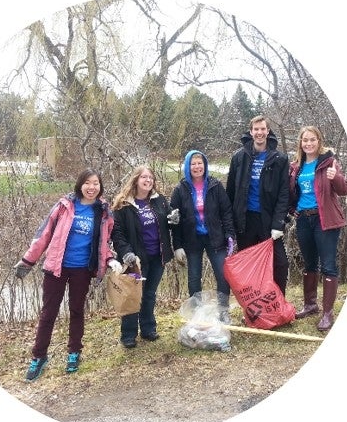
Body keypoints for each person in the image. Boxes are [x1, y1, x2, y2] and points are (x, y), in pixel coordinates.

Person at [14, 168, 120, 381]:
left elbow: (104, 244)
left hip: (82, 270)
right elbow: (44, 234)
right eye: (87, 183)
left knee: (76, 311)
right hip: (56, 267)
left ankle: (74, 353)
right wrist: (28, 260)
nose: (91, 187)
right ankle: (39, 356)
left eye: (96, 183)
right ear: (80, 184)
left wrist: (110, 260)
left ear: (100, 187)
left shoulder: (104, 212)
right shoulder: (64, 207)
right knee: (48, 313)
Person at [289, 126, 347, 331]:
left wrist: (336, 177)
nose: (308, 143)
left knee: (328, 266)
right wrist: (292, 209)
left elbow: (344, 190)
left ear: (319, 141)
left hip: (325, 220)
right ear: (301, 143)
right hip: (304, 220)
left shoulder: (329, 162)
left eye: (312, 140)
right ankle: (310, 305)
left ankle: (327, 313)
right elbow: (292, 192)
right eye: (305, 140)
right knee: (309, 263)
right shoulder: (296, 166)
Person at [111, 165, 178, 348]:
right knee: (133, 295)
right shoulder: (123, 205)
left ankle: (148, 329)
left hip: (158, 257)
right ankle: (128, 335)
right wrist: (126, 253)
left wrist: (174, 220)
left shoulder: (159, 201)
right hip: (136, 260)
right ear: (136, 180)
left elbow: (169, 222)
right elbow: (117, 234)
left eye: (150, 178)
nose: (148, 180)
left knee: (149, 294)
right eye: (144, 177)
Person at [226, 115, 289, 296]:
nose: (260, 133)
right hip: (245, 221)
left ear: (268, 131)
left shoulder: (279, 159)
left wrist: (278, 223)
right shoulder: (239, 157)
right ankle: (254, 307)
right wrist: (230, 226)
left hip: (268, 220)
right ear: (251, 131)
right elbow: (230, 191)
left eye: (263, 129)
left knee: (280, 263)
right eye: (256, 129)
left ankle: (278, 304)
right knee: (250, 266)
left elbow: (284, 193)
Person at [170, 150, 235, 324]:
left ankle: (223, 312)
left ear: (205, 165)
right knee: (193, 277)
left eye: (200, 163)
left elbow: (227, 212)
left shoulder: (215, 185)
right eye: (193, 163)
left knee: (223, 275)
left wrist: (230, 235)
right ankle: (197, 314)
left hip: (215, 237)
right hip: (192, 240)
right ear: (187, 166)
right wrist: (177, 246)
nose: (197, 167)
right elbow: (174, 220)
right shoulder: (180, 189)